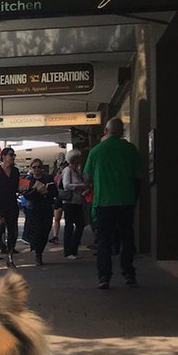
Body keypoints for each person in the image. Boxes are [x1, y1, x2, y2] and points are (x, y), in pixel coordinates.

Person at [85, 117, 142, 289]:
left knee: (103, 241)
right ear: (122, 132)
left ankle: (104, 277)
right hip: (126, 201)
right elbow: (139, 175)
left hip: (103, 202)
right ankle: (128, 273)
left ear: (105, 131)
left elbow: (87, 177)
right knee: (127, 238)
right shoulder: (130, 150)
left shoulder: (96, 151)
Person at [0, 147, 22, 268]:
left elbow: (16, 187)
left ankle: (9, 256)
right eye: (11, 155)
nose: (13, 157)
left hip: (12, 203)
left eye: (14, 155)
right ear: (3, 156)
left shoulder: (15, 171)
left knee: (12, 231)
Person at [22, 158, 56, 266]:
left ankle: (39, 249)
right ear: (31, 168)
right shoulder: (27, 179)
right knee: (36, 232)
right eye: (34, 167)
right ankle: (38, 255)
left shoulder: (48, 178)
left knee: (45, 231)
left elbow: (55, 193)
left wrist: (46, 192)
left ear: (42, 168)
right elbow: (26, 195)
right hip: (33, 210)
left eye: (39, 167)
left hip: (46, 209)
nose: (36, 169)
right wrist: (37, 190)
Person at [60, 150, 88, 259]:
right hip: (70, 202)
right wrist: (80, 186)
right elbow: (66, 185)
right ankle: (68, 251)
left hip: (78, 201)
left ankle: (73, 249)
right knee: (70, 226)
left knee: (80, 225)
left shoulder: (77, 171)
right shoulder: (68, 170)